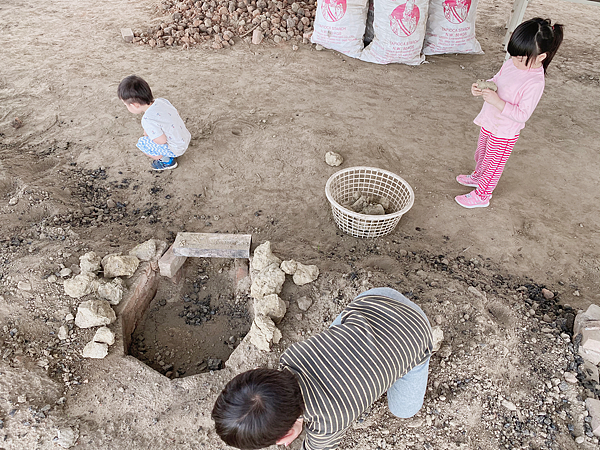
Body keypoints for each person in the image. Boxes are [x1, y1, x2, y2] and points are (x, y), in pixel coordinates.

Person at [212, 287, 433, 450]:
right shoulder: (291, 356)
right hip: (376, 300)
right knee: (337, 333)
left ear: (287, 435)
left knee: (404, 411)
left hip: (416, 331)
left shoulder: (330, 420)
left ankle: (411, 360)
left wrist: (297, 428)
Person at [455, 18, 563, 208]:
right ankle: (477, 176)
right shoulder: (512, 63)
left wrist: (498, 102)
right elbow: (497, 79)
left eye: (520, 59)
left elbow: (522, 115)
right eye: (513, 55)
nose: (514, 61)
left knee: (493, 165)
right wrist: (482, 86)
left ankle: (482, 195)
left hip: (504, 132)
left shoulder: (535, 83)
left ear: (541, 57)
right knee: (482, 154)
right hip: (491, 121)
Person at [117, 75, 191, 171]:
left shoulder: (147, 120)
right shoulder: (161, 101)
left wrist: (149, 135)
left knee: (142, 143)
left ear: (134, 105)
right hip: (185, 137)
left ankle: (167, 161)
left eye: (125, 105)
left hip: (177, 148)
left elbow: (161, 141)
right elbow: (176, 113)